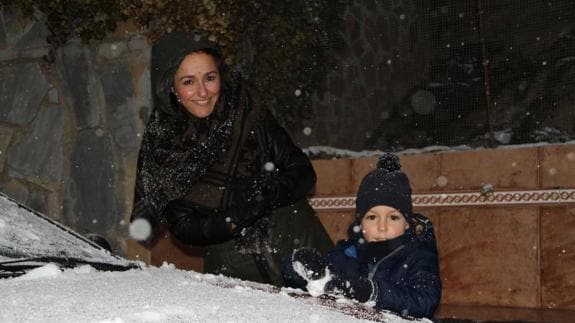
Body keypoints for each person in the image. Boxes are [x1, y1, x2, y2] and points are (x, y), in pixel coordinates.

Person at [129, 31, 333, 287]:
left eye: (210, 78)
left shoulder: (247, 110)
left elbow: (302, 172)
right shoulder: (165, 142)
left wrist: (266, 195)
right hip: (234, 264)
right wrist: (233, 220)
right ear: (170, 86)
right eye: (189, 82)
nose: (202, 92)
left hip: (299, 244)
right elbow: (182, 225)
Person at [283, 153, 441, 320]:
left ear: (407, 223)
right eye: (372, 217)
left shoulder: (417, 256)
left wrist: (374, 292)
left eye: (393, 217)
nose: (382, 226)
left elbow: (425, 301)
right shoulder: (349, 253)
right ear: (360, 223)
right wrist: (299, 265)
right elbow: (310, 281)